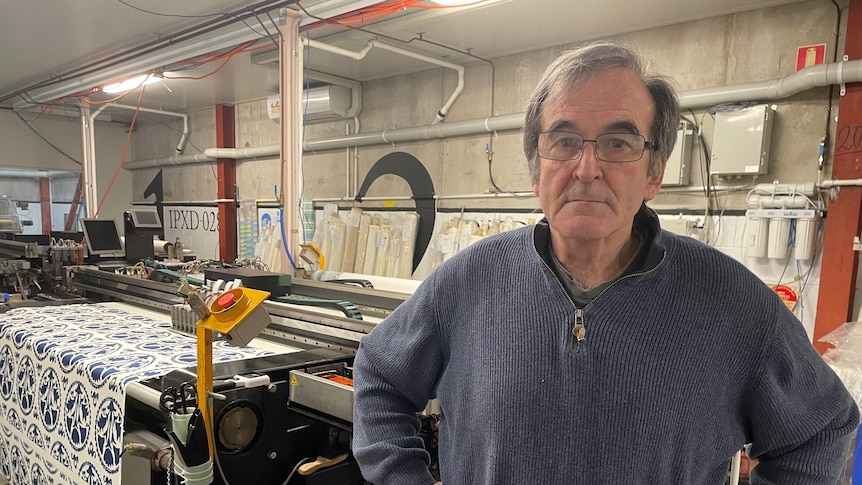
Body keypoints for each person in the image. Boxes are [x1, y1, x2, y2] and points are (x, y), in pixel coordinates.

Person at [351, 41, 859, 484]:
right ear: (536, 166)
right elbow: (379, 376)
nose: (587, 168)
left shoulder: (731, 303)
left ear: (653, 172)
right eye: (565, 141)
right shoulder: (468, 282)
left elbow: (823, 428)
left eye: (618, 143)